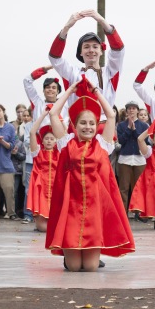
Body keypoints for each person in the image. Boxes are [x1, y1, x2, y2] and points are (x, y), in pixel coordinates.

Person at [46, 79, 134, 271]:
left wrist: (96, 91)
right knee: (75, 268)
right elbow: (53, 113)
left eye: (92, 123)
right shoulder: (66, 142)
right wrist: (69, 91)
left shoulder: (103, 144)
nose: (88, 127)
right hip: (71, 207)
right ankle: (69, 256)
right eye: (83, 123)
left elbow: (111, 115)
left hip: (94, 209)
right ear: (75, 126)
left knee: (91, 268)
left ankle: (88, 253)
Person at [48, 10, 125, 126]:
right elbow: (54, 57)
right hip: (77, 128)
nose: (91, 50)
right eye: (86, 47)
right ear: (80, 53)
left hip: (102, 128)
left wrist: (102, 22)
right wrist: (67, 27)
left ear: (101, 51)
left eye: (95, 47)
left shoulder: (110, 72)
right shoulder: (72, 73)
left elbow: (118, 50)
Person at [115, 101, 149, 213]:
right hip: (125, 158)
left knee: (139, 187)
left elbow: (143, 139)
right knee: (123, 188)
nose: (131, 110)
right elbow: (121, 140)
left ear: (137, 110)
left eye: (134, 108)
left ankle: (139, 212)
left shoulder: (144, 125)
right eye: (129, 108)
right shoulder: (121, 125)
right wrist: (129, 128)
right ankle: (123, 212)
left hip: (139, 159)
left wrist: (133, 130)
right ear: (126, 110)